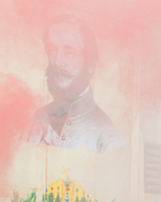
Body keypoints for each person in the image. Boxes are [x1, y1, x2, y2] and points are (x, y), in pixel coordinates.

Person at [27, 14, 125, 151]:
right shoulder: (38, 117)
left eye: (69, 52)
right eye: (52, 51)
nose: (58, 62)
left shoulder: (108, 138)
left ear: (90, 64)